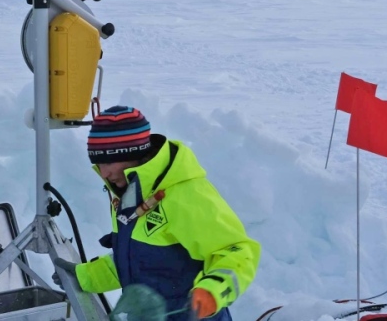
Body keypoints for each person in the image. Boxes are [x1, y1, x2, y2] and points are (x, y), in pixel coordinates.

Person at [56, 106, 260, 320]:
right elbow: (139, 262)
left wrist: (213, 291)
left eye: (108, 161)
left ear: (133, 153)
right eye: (97, 162)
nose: (103, 172)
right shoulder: (129, 193)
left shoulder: (186, 195)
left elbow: (238, 251)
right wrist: (85, 277)